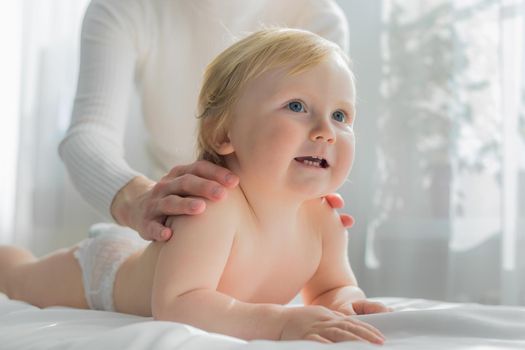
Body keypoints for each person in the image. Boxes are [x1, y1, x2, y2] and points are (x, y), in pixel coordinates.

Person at [0, 29, 390, 344]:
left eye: (341, 115)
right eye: (296, 106)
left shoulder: (323, 219)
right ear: (223, 134)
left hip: (152, 253)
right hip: (107, 273)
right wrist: (281, 322)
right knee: (21, 277)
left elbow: (331, 288)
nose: (325, 131)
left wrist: (346, 303)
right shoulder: (214, 206)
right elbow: (179, 304)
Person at [59, 0, 354, 242]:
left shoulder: (317, 15)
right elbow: (88, 134)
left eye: (340, 117)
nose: (327, 131)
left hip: (266, 236)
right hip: (172, 220)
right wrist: (139, 201)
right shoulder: (124, 8)